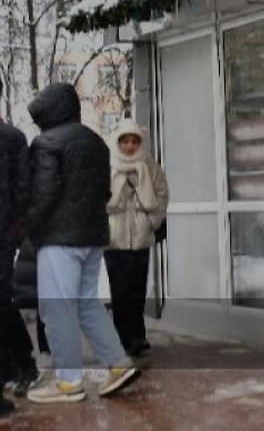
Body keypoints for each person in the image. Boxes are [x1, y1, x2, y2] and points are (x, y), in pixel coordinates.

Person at [22, 83, 140, 403]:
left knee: (57, 307)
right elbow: (104, 191)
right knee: (87, 303)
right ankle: (118, 363)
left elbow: (44, 193)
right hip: (93, 236)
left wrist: (25, 227)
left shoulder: (47, 142)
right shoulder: (96, 141)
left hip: (60, 239)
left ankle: (68, 381)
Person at [105, 118, 169, 357]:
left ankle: (137, 336)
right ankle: (124, 338)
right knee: (120, 291)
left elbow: (162, 194)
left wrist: (152, 221)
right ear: (118, 142)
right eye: (125, 141)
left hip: (141, 237)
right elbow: (99, 197)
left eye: (134, 141)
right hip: (115, 239)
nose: (130, 146)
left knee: (137, 288)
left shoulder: (149, 164)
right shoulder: (108, 164)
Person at [0, 81, 36, 415]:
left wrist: (14, 229)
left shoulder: (12, 138)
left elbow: (24, 188)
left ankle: (20, 364)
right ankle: (18, 363)